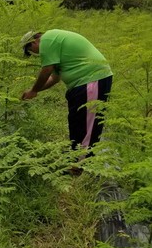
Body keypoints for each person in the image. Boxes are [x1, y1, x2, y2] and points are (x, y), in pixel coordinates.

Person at [20, 29, 113, 159]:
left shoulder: (47, 40)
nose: (34, 54)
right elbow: (54, 78)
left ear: (34, 41)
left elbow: (46, 70)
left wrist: (34, 90)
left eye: (30, 51)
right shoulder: (55, 44)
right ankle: (75, 155)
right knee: (76, 121)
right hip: (82, 84)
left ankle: (82, 165)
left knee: (87, 125)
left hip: (92, 79)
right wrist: (34, 90)